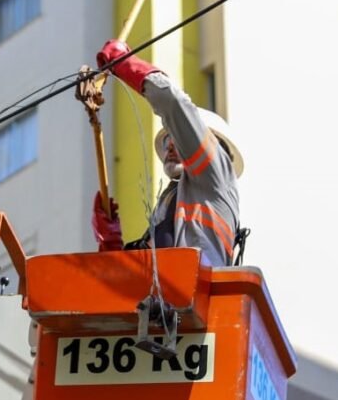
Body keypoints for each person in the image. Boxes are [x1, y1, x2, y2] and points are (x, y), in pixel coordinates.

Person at [91, 40, 244, 267]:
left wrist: (124, 63)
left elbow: (173, 102)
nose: (170, 146)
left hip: (194, 297)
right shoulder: (173, 205)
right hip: (173, 298)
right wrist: (112, 246)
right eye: (167, 140)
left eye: (177, 137)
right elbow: (138, 286)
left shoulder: (215, 175)